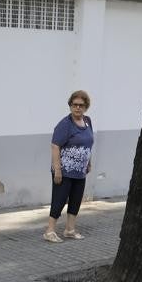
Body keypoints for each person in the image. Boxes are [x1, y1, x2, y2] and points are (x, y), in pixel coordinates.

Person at [44, 90, 94, 243]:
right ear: (70, 106)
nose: (77, 108)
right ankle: (50, 231)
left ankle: (70, 229)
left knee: (76, 200)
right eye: (74, 105)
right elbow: (55, 146)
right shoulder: (65, 124)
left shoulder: (87, 121)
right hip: (64, 171)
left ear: (86, 107)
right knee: (59, 200)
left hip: (80, 171)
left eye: (81, 105)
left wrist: (89, 162)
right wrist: (57, 169)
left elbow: (88, 143)